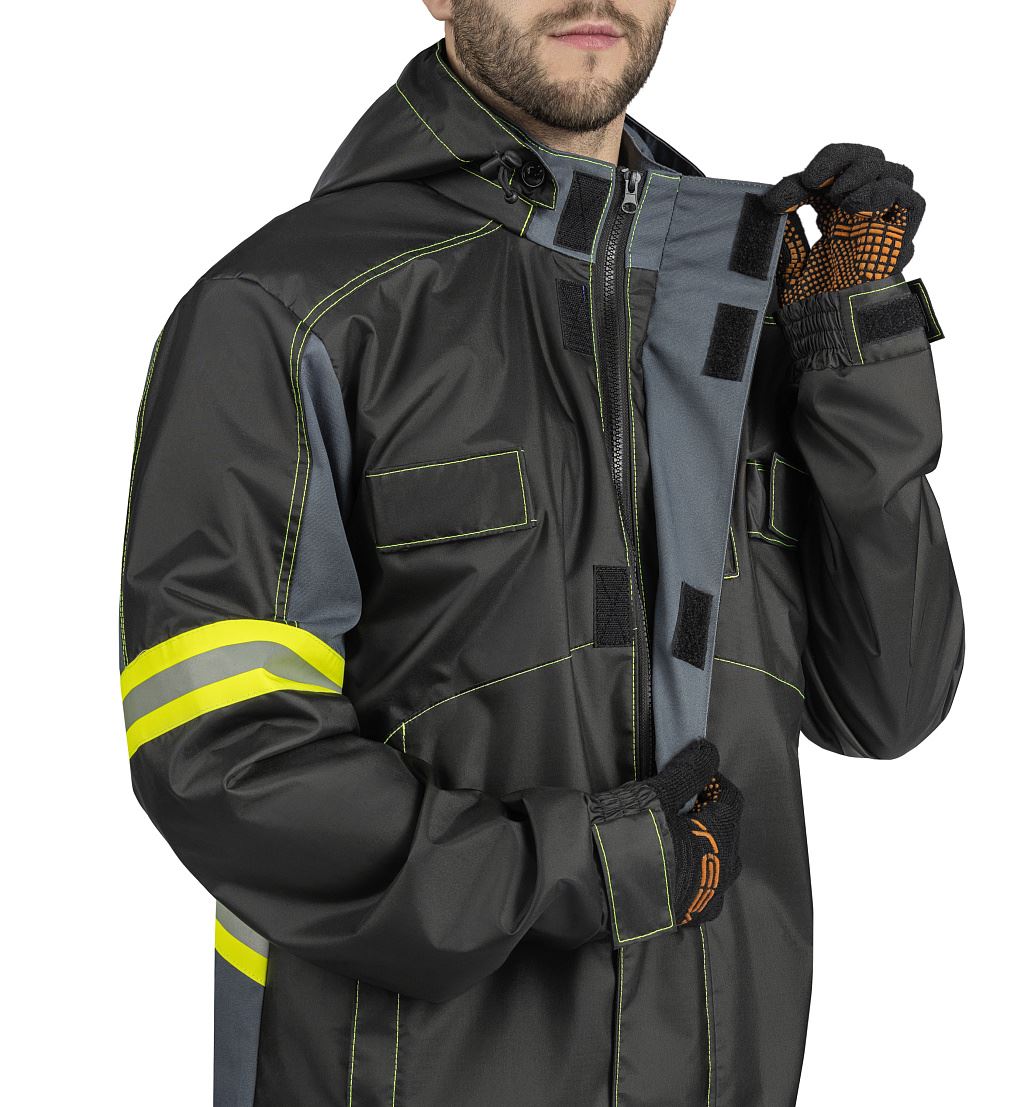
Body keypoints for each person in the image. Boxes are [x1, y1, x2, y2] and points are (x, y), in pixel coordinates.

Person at [116, 1, 964, 1103]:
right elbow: (224, 759)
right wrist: (590, 867)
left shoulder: (731, 308)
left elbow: (887, 701)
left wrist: (852, 361)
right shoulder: (293, 312)